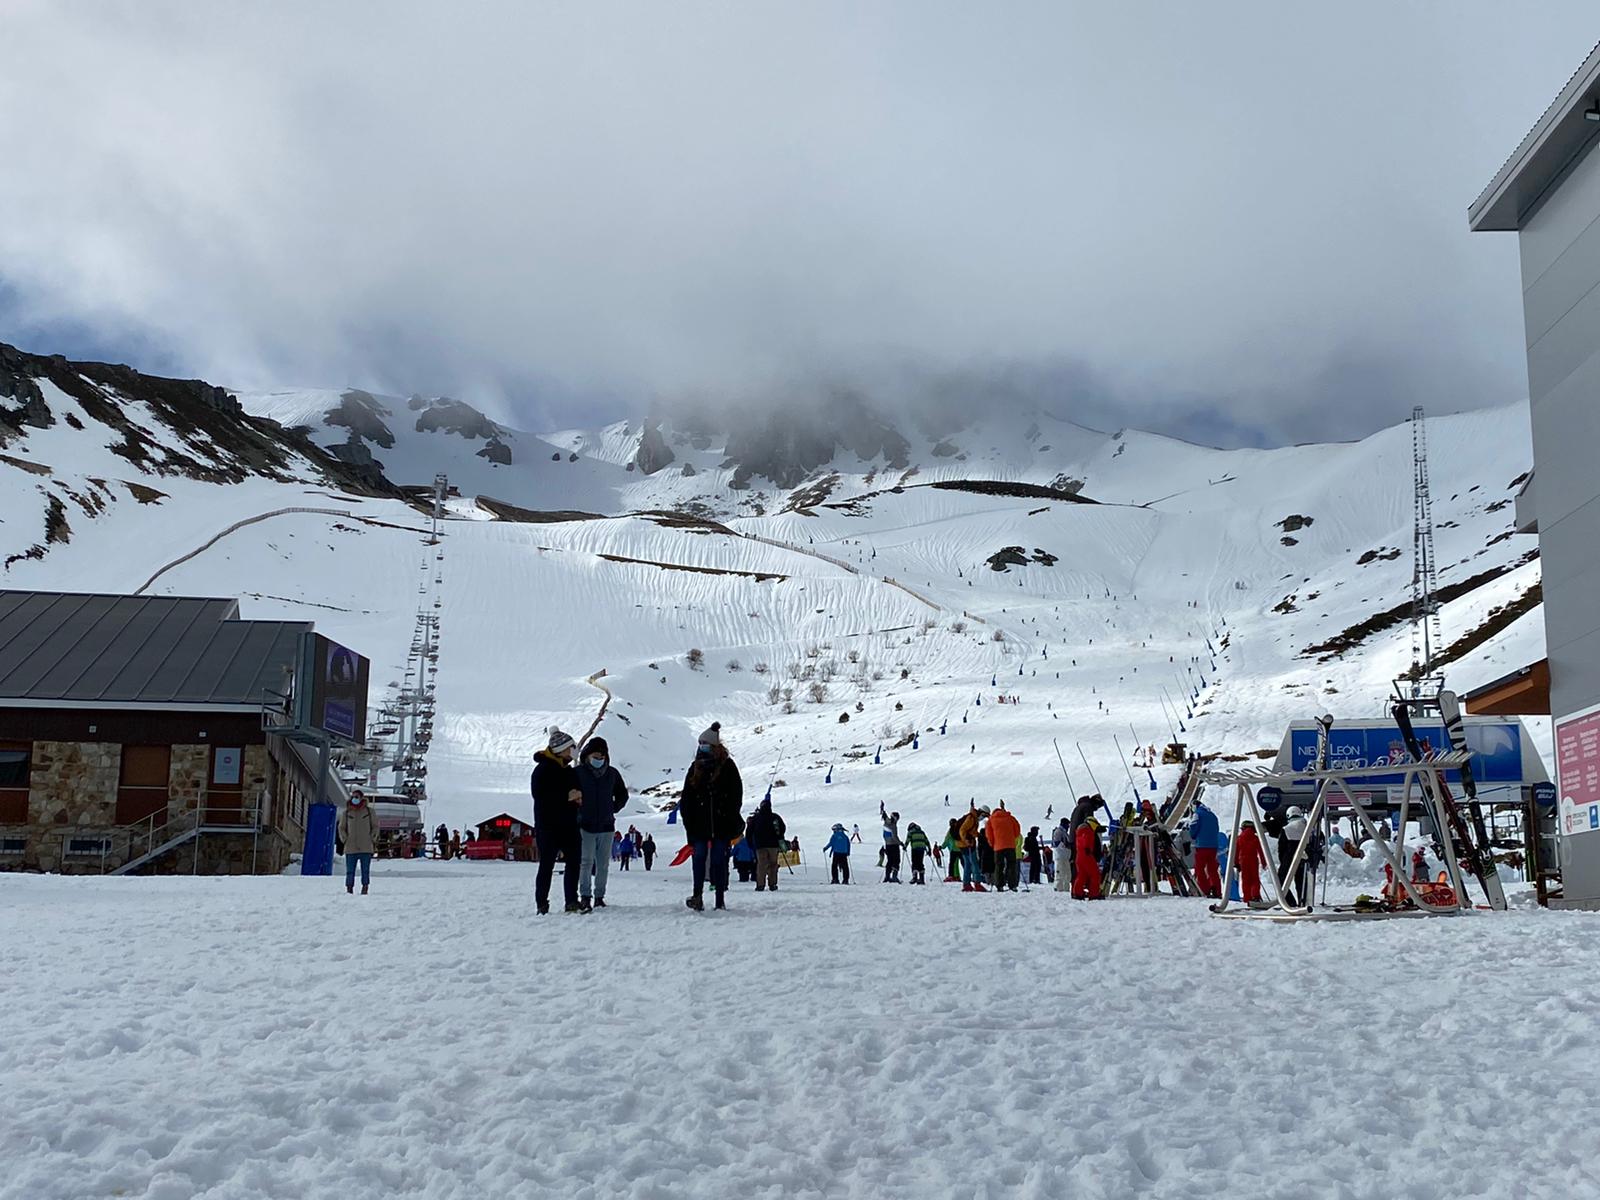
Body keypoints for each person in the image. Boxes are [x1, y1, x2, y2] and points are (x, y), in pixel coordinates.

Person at [679, 722, 743, 911]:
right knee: (698, 858)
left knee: (718, 861)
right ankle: (697, 895)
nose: (701, 747)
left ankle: (719, 899)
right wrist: (689, 825)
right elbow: (687, 798)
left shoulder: (728, 767)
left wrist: (730, 816)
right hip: (699, 826)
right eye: (700, 743)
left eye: (705, 743)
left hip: (722, 825)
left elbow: (736, 795)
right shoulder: (695, 767)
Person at [573, 736, 627, 913]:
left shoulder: (612, 774)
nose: (599, 759)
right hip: (585, 825)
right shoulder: (578, 773)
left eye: (602, 756)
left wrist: (613, 807)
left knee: (603, 864)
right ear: (587, 755)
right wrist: (577, 811)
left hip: (606, 826)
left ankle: (599, 897)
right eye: (596, 756)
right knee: (586, 862)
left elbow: (622, 795)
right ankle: (585, 896)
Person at [531, 729, 582, 915]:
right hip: (548, 825)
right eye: (571, 748)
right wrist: (566, 796)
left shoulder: (568, 771)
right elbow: (541, 797)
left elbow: (577, 790)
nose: (574, 751)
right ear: (561, 749)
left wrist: (578, 797)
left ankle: (571, 901)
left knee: (574, 861)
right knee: (546, 864)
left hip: (569, 824)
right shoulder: (542, 770)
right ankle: (542, 904)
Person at [339, 788, 377, 894]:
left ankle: (365, 887)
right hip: (350, 847)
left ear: (361, 798)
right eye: (353, 797)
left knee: (365, 870)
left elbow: (375, 826)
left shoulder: (369, 812)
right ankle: (349, 888)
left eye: (357, 797)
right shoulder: (346, 813)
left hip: (366, 846)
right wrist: (344, 838)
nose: (354, 799)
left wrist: (372, 838)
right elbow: (341, 827)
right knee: (350, 870)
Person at [745, 797, 787, 892]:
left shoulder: (756, 818)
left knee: (761, 865)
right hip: (773, 845)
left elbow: (749, 831)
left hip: (760, 846)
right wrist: (780, 838)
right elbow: (782, 828)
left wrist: (750, 843)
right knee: (773, 865)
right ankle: (772, 884)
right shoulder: (775, 817)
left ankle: (760, 885)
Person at [1189, 800, 1222, 899]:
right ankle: (1217, 889)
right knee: (1212, 869)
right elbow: (1216, 828)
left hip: (1202, 845)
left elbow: (1193, 827)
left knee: (1200, 868)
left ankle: (1204, 889)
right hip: (1213, 846)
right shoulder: (1212, 815)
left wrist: (1193, 836)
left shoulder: (1197, 814)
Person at [986, 803, 1022, 892]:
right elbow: (1017, 829)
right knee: (1011, 865)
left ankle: (999, 885)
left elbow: (989, 834)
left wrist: (992, 844)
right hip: (1010, 845)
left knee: (999, 866)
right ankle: (1012, 885)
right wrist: (1012, 837)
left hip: (998, 847)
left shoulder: (991, 820)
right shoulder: (1010, 817)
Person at [1233, 819, 1267, 904]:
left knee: (1246, 880)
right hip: (1253, 860)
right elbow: (1261, 851)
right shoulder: (1255, 838)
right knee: (1255, 879)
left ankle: (1247, 898)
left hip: (1243, 861)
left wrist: (1236, 863)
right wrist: (1263, 862)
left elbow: (1236, 852)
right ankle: (1255, 896)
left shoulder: (1239, 838)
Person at [1073, 817, 1103, 899]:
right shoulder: (1087, 830)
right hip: (1087, 855)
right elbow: (1086, 839)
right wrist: (1087, 848)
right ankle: (1094, 894)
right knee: (1095, 874)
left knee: (1082, 875)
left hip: (1079, 856)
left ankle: (1077, 893)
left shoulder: (1080, 830)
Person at [880, 802, 903, 883]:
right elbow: (894, 836)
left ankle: (887, 876)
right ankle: (894, 877)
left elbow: (885, 816)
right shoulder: (893, 825)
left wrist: (883, 811)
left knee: (889, 861)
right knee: (896, 861)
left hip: (887, 844)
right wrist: (900, 843)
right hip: (894, 845)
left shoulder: (886, 823)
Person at [1051, 817, 1072, 892]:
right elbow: (1056, 843)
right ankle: (1058, 887)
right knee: (1059, 873)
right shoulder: (1058, 831)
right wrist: (1066, 846)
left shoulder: (1065, 832)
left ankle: (1066, 888)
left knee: (1067, 874)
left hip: (1065, 856)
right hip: (1060, 856)